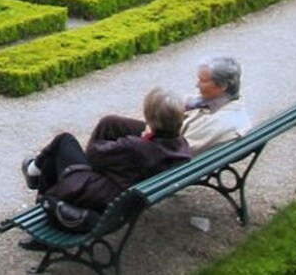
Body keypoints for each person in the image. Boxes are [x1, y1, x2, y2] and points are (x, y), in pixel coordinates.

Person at [18, 88, 190, 243]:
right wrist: (144, 128)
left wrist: (142, 135)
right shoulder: (180, 145)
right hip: (126, 190)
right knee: (109, 122)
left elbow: (93, 155)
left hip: (102, 193)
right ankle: (35, 173)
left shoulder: (135, 146)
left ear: (151, 119)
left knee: (63, 141)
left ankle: (37, 185)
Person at [87, 56, 253, 156]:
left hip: (165, 157)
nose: (196, 85)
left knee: (109, 148)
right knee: (111, 123)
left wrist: (144, 137)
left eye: (202, 81)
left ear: (222, 85)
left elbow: (179, 151)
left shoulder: (221, 122)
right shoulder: (216, 99)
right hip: (166, 139)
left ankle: (89, 169)